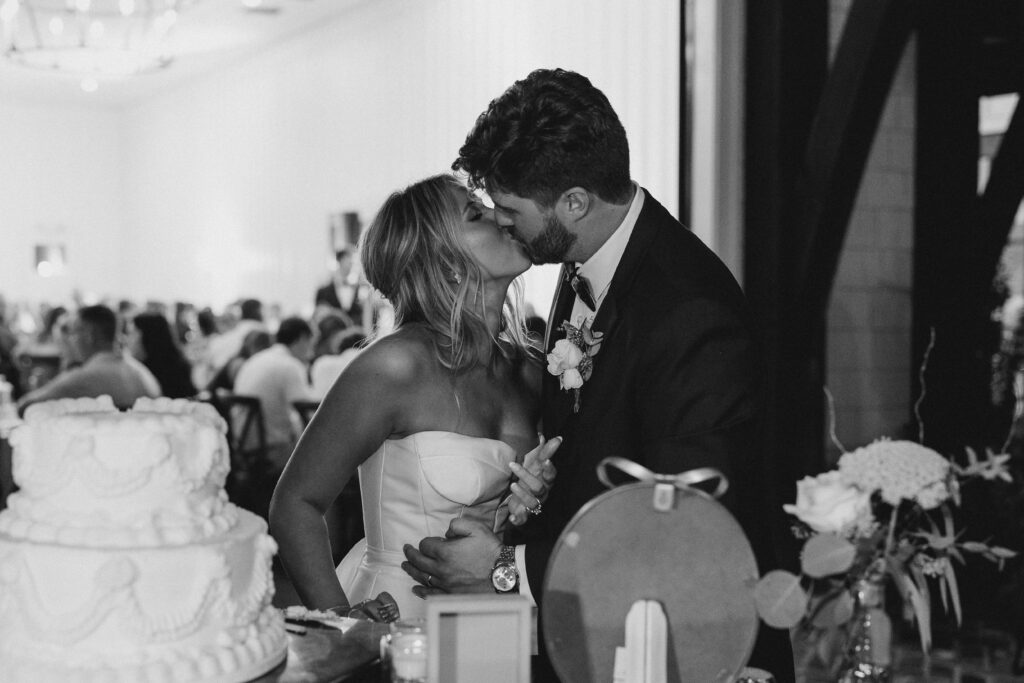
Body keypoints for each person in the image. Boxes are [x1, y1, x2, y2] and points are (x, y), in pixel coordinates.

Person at [399, 69, 795, 681]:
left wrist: (505, 569)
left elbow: (688, 524)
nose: (500, 222)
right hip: (596, 630)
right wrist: (533, 497)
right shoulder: (583, 259)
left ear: (575, 202)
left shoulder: (688, 311)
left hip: (679, 647)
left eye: (509, 210)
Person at [270, 174, 560, 622]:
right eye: (475, 213)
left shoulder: (527, 368)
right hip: (401, 613)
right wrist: (342, 622)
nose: (500, 216)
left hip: (497, 612)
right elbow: (295, 504)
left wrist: (534, 502)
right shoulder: (395, 367)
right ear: (443, 260)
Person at [16, 304, 161, 414]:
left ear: (89, 335)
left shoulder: (86, 376)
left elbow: (25, 406)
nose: (70, 340)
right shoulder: (142, 373)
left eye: (73, 332)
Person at [232, 317, 317, 473]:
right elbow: (308, 412)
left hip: (245, 446)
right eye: (312, 343)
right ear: (302, 338)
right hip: (273, 450)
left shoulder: (256, 359)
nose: (312, 352)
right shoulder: (289, 365)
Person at [128, 312, 197, 399]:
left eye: (132, 333)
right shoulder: (179, 365)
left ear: (147, 337)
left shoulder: (170, 373)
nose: (128, 340)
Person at [315, 247, 367, 324]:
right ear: (340, 261)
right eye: (349, 261)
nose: (352, 264)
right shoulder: (323, 291)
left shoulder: (359, 289)